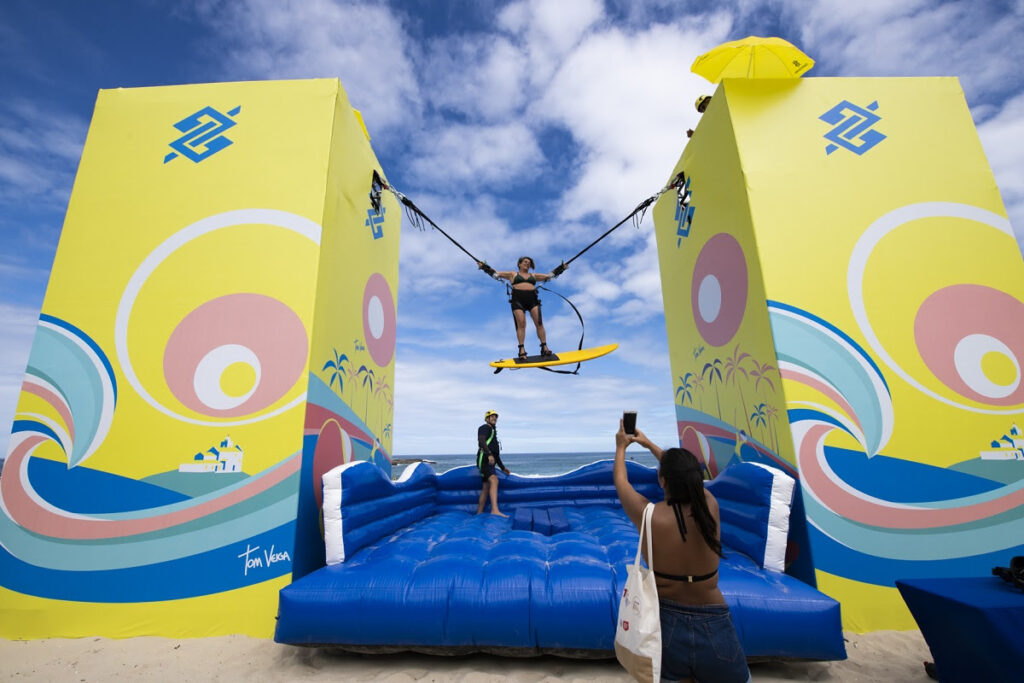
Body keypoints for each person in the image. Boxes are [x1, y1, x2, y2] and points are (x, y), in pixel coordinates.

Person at [613, 420, 750, 683]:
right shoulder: (709, 505)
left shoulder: (649, 515)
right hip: (713, 616)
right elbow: (686, 474)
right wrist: (650, 444)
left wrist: (621, 447)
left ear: (662, 480)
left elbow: (621, 481)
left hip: (666, 622)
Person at [478, 256, 565, 359]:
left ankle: (544, 347)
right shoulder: (512, 274)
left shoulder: (533, 275)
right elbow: (496, 273)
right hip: (517, 300)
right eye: (525, 262)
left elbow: (549, 276)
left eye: (529, 263)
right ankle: (521, 349)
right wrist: (484, 267)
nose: (527, 264)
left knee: (539, 323)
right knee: (522, 324)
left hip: (532, 299)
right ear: (519, 264)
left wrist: (562, 268)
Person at [476, 409, 510, 516]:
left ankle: (479, 513)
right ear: (487, 419)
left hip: (488, 461)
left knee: (486, 487)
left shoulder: (493, 433)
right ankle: (494, 510)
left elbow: (496, 455)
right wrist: (489, 454)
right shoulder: (485, 428)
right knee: (494, 480)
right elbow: (481, 441)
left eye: (495, 417)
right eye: (492, 416)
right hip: (484, 460)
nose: (494, 418)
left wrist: (502, 467)